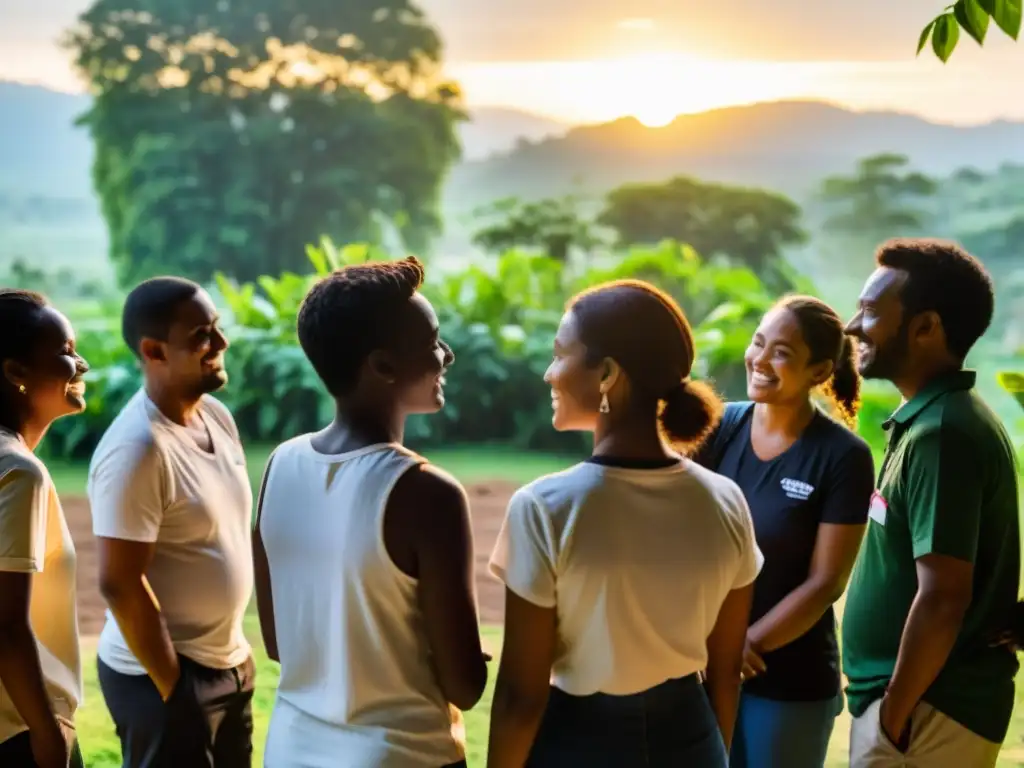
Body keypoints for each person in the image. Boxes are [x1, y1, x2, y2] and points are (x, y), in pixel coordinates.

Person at [487, 279, 763, 767]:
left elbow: (520, 696)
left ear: (608, 372)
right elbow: (725, 672)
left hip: (578, 745)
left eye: (560, 355)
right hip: (693, 740)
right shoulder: (725, 501)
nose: (550, 373)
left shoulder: (545, 507)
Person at [254, 256, 488, 768]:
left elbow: (279, 644)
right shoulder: (427, 494)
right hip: (401, 755)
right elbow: (465, 686)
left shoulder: (281, 465)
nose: (445, 355)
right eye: (431, 343)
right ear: (382, 366)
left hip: (291, 749)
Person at [842, 238, 1020, 768]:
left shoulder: (944, 434)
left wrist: (894, 716)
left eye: (871, 312)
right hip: (917, 711)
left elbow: (943, 597)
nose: (854, 327)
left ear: (925, 327)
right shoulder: (931, 420)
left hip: (925, 714)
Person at [694, 295, 875, 768]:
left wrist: (745, 644)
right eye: (759, 343)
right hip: (704, 667)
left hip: (789, 679)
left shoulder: (843, 456)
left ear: (818, 371)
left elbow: (826, 582)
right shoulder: (719, 427)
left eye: (782, 353)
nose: (761, 359)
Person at [88, 277, 255, 767]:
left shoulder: (217, 417)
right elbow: (119, 583)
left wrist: (237, 661)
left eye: (218, 328)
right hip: (161, 677)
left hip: (227, 663)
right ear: (154, 350)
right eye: (202, 335)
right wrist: (175, 690)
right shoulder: (137, 450)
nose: (220, 344)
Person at [0, 291, 89, 768]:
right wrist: (48, 736)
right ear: (15, 372)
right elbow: (7, 628)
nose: (83, 364)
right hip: (20, 734)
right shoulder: (17, 471)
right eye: (66, 351)